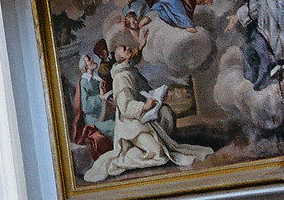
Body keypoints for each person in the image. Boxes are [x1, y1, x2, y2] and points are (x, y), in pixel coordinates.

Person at [82, 41, 207, 182]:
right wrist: (144, 107)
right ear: (122, 58)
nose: (128, 47)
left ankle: (155, 141)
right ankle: (124, 157)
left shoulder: (132, 71)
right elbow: (125, 107)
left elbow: (145, 91)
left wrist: (157, 96)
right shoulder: (120, 77)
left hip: (144, 118)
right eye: (124, 48)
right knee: (158, 154)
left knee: (166, 113)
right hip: (132, 125)